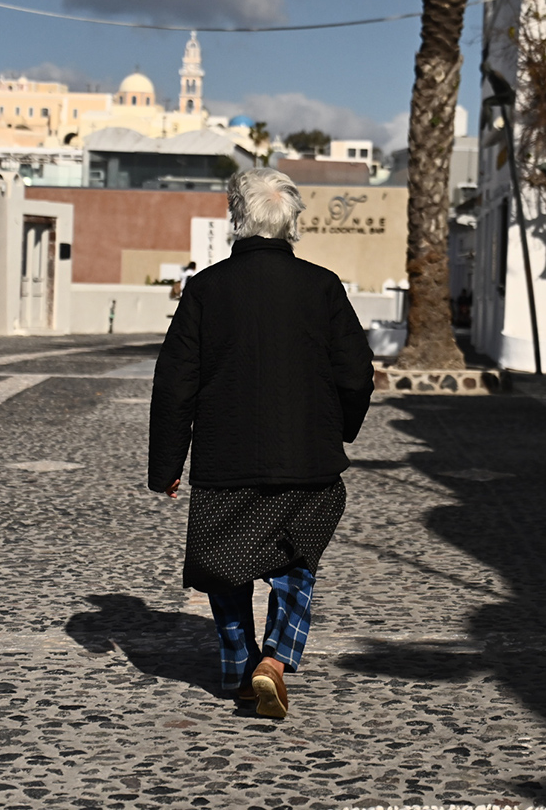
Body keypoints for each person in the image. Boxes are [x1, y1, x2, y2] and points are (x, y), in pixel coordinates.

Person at [148, 168, 375, 719]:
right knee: (298, 559)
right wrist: (336, 431)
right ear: (291, 223)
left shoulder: (206, 288)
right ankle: (275, 660)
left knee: (224, 563)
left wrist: (167, 465)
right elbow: (357, 376)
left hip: (225, 463)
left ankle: (237, 664)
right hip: (308, 462)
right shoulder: (323, 286)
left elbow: (175, 382)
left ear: (237, 219)